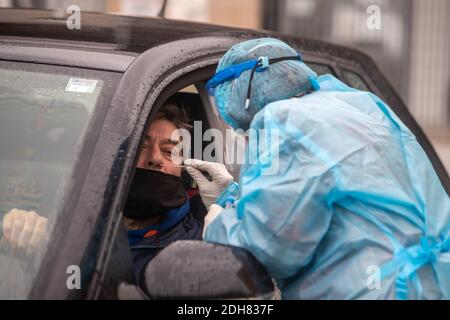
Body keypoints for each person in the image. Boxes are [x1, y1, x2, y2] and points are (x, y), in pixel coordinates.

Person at [185, 38, 450, 299]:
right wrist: (229, 196)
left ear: (243, 94)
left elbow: (269, 250)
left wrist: (220, 228)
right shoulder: (355, 105)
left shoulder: (285, 121)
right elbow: (318, 200)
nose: (230, 125)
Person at [1, 102, 232, 287]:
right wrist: (33, 241)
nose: (154, 158)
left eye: (169, 151)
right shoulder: (75, 221)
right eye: (141, 145)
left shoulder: (197, 245)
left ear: (184, 169)